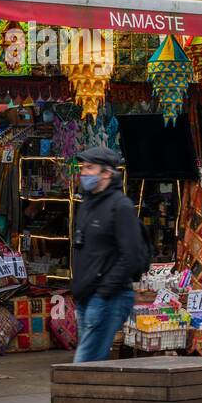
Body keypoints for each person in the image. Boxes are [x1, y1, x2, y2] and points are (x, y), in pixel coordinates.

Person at [71, 146, 143, 363]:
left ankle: (80, 397)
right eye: (83, 167)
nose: (84, 173)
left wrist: (104, 291)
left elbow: (131, 256)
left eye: (90, 168)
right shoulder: (87, 204)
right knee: (92, 363)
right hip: (86, 297)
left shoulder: (121, 206)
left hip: (108, 298)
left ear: (106, 173)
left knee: (85, 363)